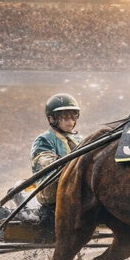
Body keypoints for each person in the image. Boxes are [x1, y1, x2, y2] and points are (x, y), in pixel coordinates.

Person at [30, 94, 83, 233]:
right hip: (52, 190)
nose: (70, 122)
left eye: (73, 117)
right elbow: (45, 160)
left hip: (75, 187)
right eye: (65, 118)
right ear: (51, 119)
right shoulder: (44, 139)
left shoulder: (79, 139)